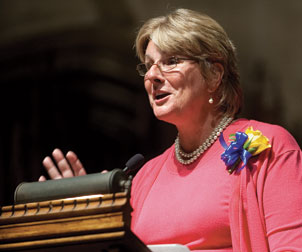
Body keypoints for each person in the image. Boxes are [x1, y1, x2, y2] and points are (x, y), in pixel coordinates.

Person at [40, 8, 302, 252]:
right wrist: (88, 220)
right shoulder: (143, 178)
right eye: (148, 64)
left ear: (213, 75)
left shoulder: (268, 146)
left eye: (171, 61)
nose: (152, 75)